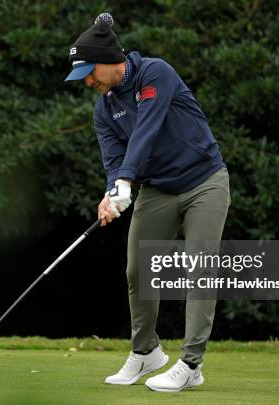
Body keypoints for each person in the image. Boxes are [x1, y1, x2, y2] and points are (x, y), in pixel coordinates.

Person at [65, 13, 231, 393]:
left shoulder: (155, 74)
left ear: (110, 60)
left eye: (90, 72)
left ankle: (191, 364)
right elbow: (113, 158)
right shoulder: (103, 109)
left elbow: (147, 130)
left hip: (204, 182)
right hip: (158, 189)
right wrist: (112, 192)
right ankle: (146, 353)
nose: (88, 81)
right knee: (138, 270)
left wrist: (126, 180)